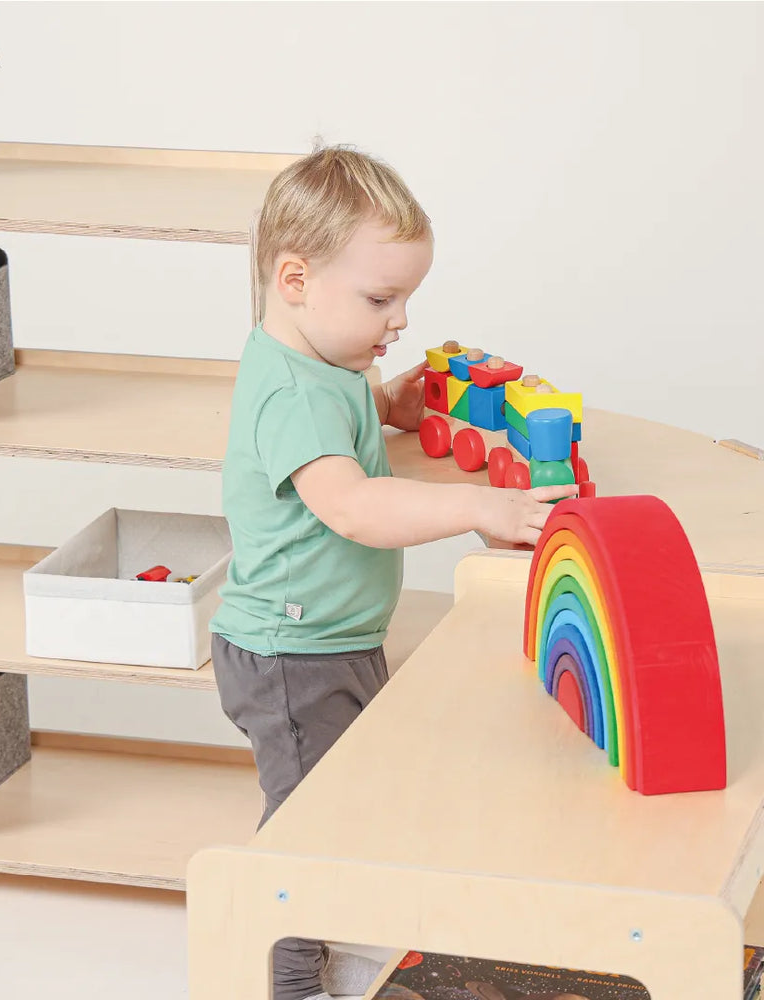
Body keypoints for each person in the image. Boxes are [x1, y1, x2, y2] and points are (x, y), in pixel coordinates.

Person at [209, 146, 577, 1000]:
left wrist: (388, 406)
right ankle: (288, 980)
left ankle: (324, 943)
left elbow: (337, 414)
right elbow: (353, 506)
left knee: (347, 800)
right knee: (312, 821)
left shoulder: (319, 366)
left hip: (324, 640)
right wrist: (479, 511)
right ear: (294, 279)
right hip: (292, 655)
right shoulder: (297, 393)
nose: (400, 319)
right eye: (381, 299)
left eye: (406, 297)